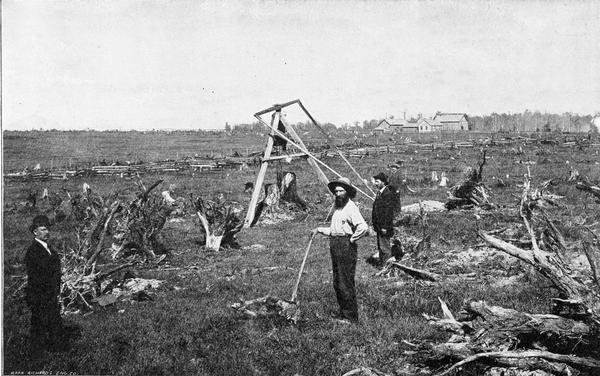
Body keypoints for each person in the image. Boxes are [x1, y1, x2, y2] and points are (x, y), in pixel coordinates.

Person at [311, 177, 368, 323]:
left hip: (345, 246)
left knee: (345, 281)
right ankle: (343, 314)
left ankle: (350, 317)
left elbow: (363, 227)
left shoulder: (351, 208)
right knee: (337, 282)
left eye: (341, 190)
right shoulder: (338, 208)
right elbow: (334, 230)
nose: (338, 193)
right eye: (336, 191)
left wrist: (352, 239)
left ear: (347, 192)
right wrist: (319, 229)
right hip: (335, 244)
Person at [24, 215, 66, 358]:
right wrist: (47, 292)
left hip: (49, 293)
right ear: (35, 232)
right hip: (40, 294)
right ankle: (36, 354)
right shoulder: (33, 251)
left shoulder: (49, 249)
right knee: (39, 322)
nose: (46, 232)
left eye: (47, 229)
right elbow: (37, 276)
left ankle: (57, 349)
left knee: (53, 320)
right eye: (43, 229)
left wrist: (55, 290)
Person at [371, 172, 398, 267]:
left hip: (384, 226)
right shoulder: (380, 193)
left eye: (377, 182)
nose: (375, 184)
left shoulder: (387, 194)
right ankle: (383, 265)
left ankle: (387, 267)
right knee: (381, 246)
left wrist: (385, 227)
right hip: (379, 226)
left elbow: (388, 213)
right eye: (375, 182)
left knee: (385, 247)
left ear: (383, 182)